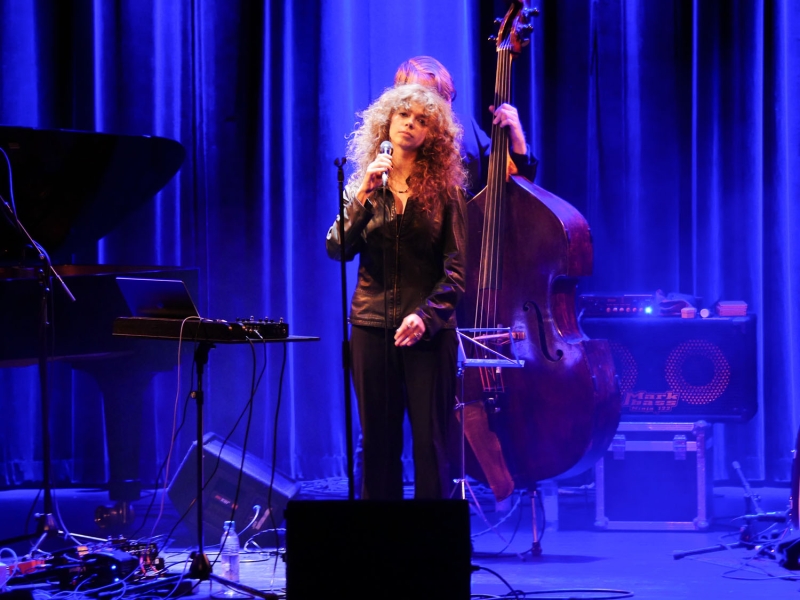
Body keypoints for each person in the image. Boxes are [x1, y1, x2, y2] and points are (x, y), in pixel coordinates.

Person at [326, 83, 468, 500]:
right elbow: (337, 249)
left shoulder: (447, 191)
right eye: (403, 115)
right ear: (386, 123)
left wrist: (425, 317)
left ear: (432, 135)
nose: (410, 124)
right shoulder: (363, 185)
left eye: (421, 120)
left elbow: (457, 271)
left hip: (429, 331)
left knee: (430, 443)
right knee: (378, 444)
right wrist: (364, 196)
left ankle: (431, 538)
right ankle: (380, 538)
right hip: (371, 326)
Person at [393, 55, 538, 191]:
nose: (439, 107)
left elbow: (513, 185)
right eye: (428, 99)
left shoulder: (466, 127)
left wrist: (518, 140)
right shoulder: (398, 135)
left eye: (444, 97)